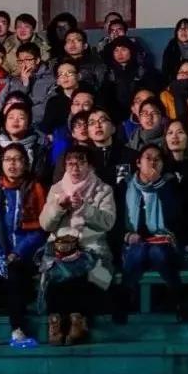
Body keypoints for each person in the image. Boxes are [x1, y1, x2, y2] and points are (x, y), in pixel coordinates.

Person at [39, 146, 116, 346]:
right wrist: (59, 207)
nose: (75, 168)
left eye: (80, 163)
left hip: (91, 247)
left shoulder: (103, 190)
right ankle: (56, 322)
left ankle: (76, 320)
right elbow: (45, 224)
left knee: (80, 270)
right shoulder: (56, 189)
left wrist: (84, 208)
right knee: (56, 270)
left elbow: (107, 222)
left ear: (90, 166)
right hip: (61, 246)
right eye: (70, 163)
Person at [0, 142, 47, 347]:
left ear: (26, 163)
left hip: (27, 254)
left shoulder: (36, 190)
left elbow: (40, 230)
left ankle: (18, 328)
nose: (12, 164)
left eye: (17, 159)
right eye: (7, 159)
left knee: (15, 273)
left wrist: (17, 252)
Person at [119, 144, 185, 320]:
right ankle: (124, 299)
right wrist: (127, 235)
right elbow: (117, 219)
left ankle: (178, 299)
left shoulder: (170, 184)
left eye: (158, 159)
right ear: (138, 163)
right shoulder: (126, 185)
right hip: (134, 241)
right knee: (138, 251)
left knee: (157, 252)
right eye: (148, 158)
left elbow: (175, 216)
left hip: (163, 241)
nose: (153, 163)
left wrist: (158, 184)